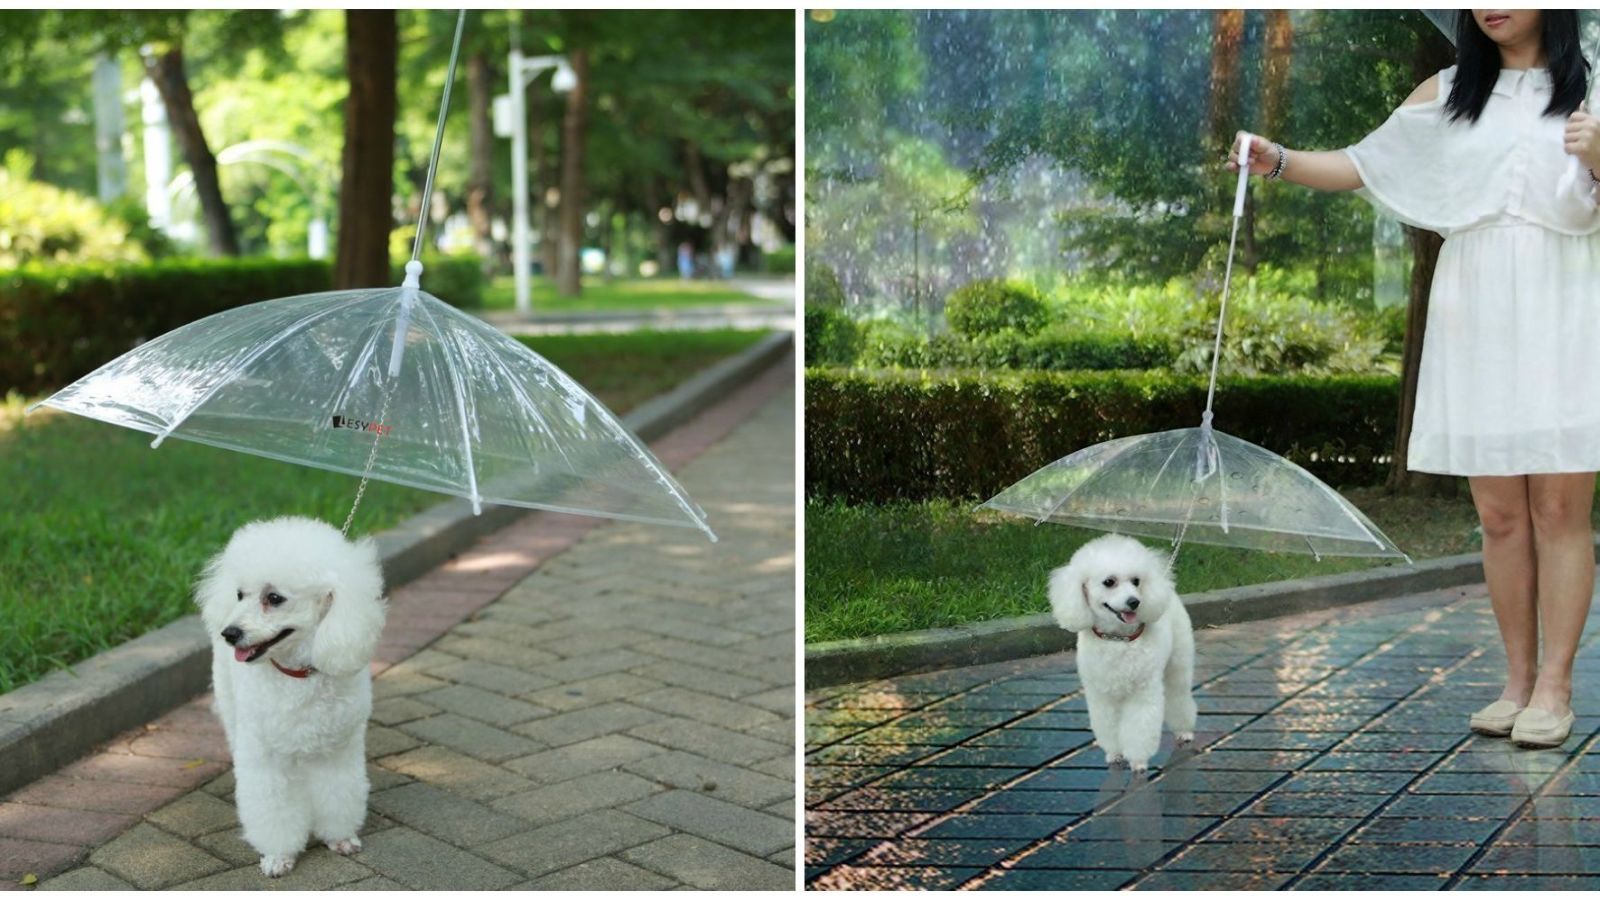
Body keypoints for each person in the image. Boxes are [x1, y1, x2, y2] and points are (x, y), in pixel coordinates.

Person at [1230, 9, 1600, 748]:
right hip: (1476, 306)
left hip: (1567, 300)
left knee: (1559, 510)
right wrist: (1276, 157)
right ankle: (1517, 681)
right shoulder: (1448, 90)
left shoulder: (1592, 82)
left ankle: (1557, 688)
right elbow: (1362, 163)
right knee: (1498, 513)